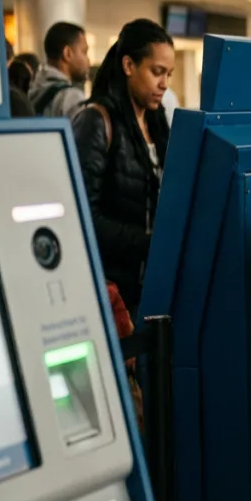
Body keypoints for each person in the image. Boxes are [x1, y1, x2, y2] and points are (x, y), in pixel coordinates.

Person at [72, 19, 174, 315]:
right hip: (113, 290)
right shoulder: (95, 121)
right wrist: (149, 244)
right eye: (157, 72)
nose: (164, 84)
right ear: (129, 65)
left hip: (150, 287)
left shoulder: (157, 125)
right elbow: (84, 215)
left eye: (169, 74)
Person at [31, 21, 92, 118]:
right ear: (67, 53)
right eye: (84, 52)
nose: (88, 60)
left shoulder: (33, 89)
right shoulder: (72, 97)